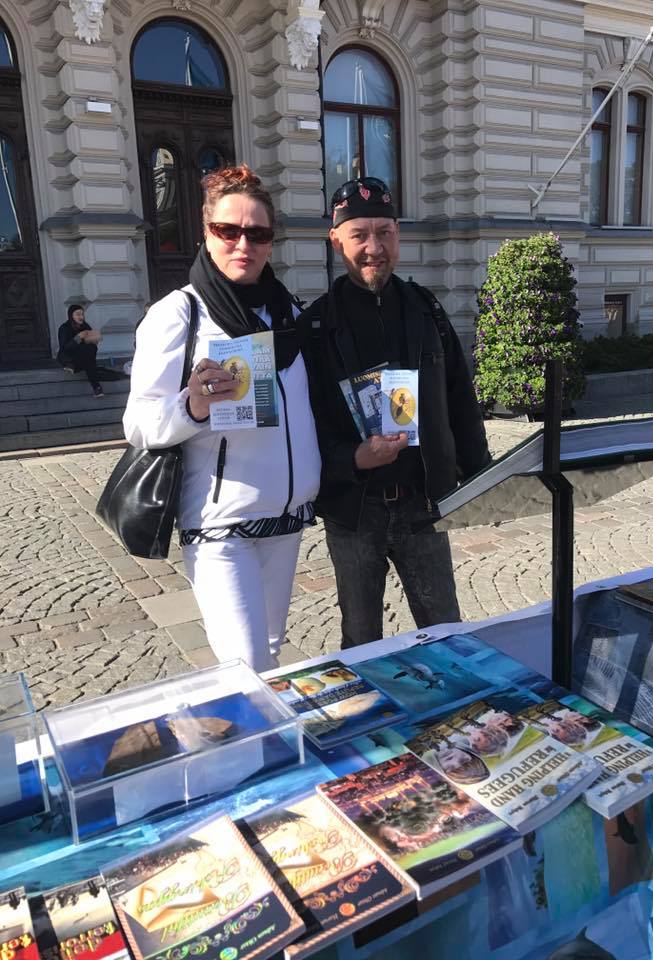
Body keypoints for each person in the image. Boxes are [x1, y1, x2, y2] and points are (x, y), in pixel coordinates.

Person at [123, 164, 320, 671]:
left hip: (287, 517)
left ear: (271, 242)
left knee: (271, 656)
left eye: (257, 233)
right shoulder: (179, 314)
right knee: (245, 665)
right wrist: (192, 406)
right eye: (227, 230)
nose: (242, 244)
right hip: (220, 525)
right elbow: (140, 424)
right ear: (205, 233)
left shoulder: (288, 315)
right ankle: (246, 747)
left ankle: (267, 749)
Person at [299, 176, 490, 649]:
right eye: (359, 234)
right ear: (336, 240)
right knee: (362, 642)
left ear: (398, 235)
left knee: (446, 631)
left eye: (384, 232)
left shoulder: (426, 309)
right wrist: (352, 459)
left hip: (425, 504)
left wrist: (484, 479)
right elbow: (306, 425)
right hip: (354, 512)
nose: (373, 248)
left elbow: (459, 397)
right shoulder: (316, 325)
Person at [57, 304, 104, 397]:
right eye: (78, 314)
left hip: (83, 358)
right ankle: (96, 386)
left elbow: (90, 345)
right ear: (71, 316)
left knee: (90, 349)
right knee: (89, 360)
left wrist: (94, 340)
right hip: (68, 358)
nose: (81, 317)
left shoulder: (85, 326)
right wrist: (78, 338)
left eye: (82, 314)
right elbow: (65, 348)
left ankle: (96, 387)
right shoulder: (64, 328)